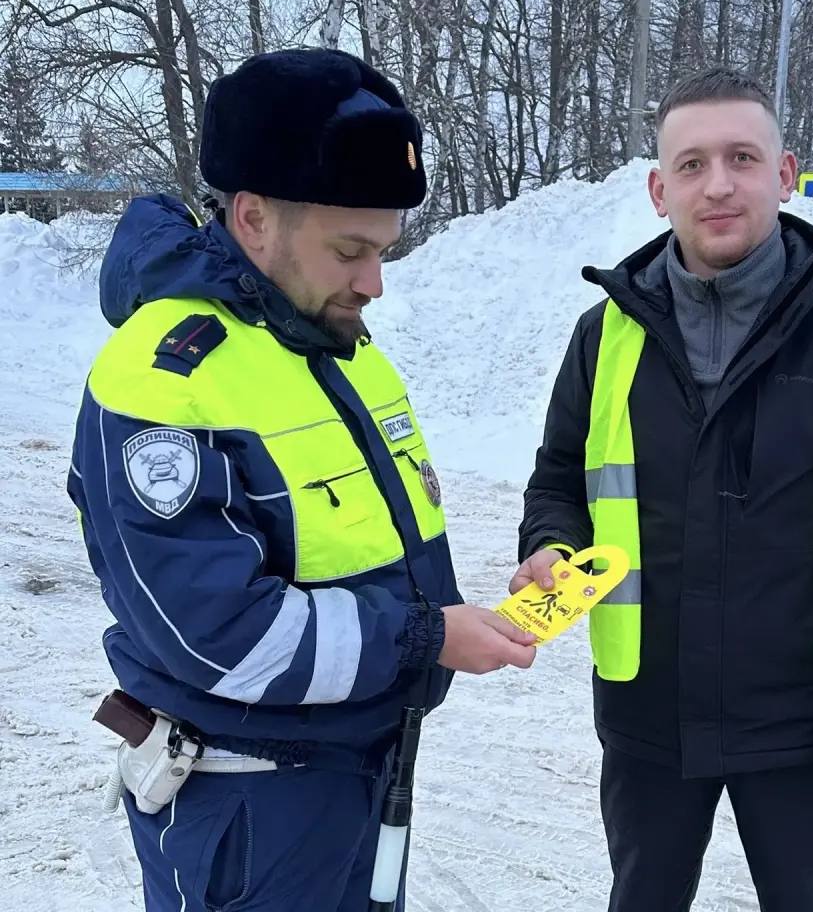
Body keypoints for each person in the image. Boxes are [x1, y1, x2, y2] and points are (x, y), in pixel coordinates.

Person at [68, 47, 537, 912]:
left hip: (359, 778)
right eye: (351, 249)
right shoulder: (165, 377)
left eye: (385, 248)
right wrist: (428, 638)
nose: (377, 283)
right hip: (250, 807)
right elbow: (221, 635)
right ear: (252, 218)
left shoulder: (331, 342)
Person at [511, 67, 813, 911]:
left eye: (742, 158)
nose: (718, 184)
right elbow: (560, 476)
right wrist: (550, 548)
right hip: (648, 719)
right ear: (657, 188)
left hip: (807, 725)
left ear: (785, 175)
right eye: (692, 164)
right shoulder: (603, 336)